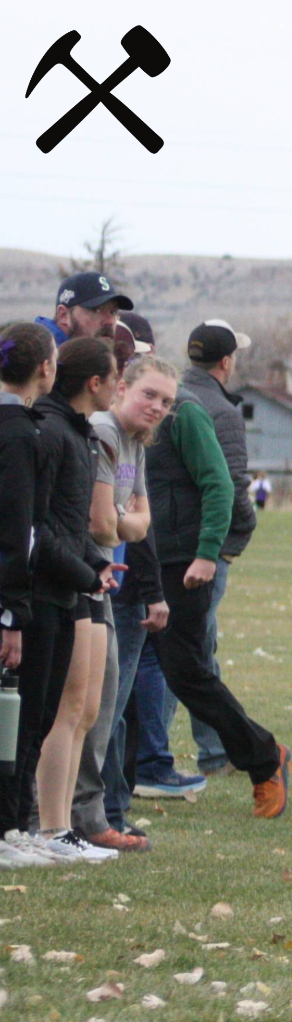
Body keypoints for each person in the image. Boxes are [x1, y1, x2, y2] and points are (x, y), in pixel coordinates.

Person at [144, 323, 291, 818]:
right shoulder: (150, 409)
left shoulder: (189, 410)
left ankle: (264, 757)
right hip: (145, 555)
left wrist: (217, 550)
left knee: (185, 670)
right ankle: (132, 772)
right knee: (145, 671)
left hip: (187, 558)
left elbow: (224, 484)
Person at [18, 338, 125, 861]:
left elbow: (70, 522)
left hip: (74, 580)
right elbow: (40, 528)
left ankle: (58, 829)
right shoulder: (53, 432)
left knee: (81, 711)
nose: (120, 386)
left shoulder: (79, 435)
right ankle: (46, 827)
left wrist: (98, 563)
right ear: (94, 382)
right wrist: (86, 569)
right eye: (116, 376)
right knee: (58, 711)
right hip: (50, 588)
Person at [71, 357, 180, 853]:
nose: (157, 407)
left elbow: (139, 522)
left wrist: (124, 519)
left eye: (166, 401)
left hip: (103, 583)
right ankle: (77, 821)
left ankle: (92, 819)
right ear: (120, 389)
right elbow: (104, 525)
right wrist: (123, 519)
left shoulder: (135, 441)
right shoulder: (103, 432)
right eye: (149, 395)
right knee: (84, 709)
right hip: (77, 579)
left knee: (102, 704)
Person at [0, 323, 86, 868]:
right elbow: (20, 532)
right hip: (19, 601)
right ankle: (10, 829)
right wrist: (11, 614)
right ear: (46, 370)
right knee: (23, 719)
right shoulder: (20, 435)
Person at [164, 321, 259, 779]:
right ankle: (207, 752)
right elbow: (232, 483)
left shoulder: (171, 396)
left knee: (188, 649)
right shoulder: (220, 410)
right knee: (189, 654)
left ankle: (210, 749)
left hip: (169, 543)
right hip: (204, 547)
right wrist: (238, 534)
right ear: (226, 362)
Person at [35, 271, 131, 347]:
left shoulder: (92, 362)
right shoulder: (37, 361)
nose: (109, 321)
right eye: (96, 310)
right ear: (63, 315)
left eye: (113, 312)